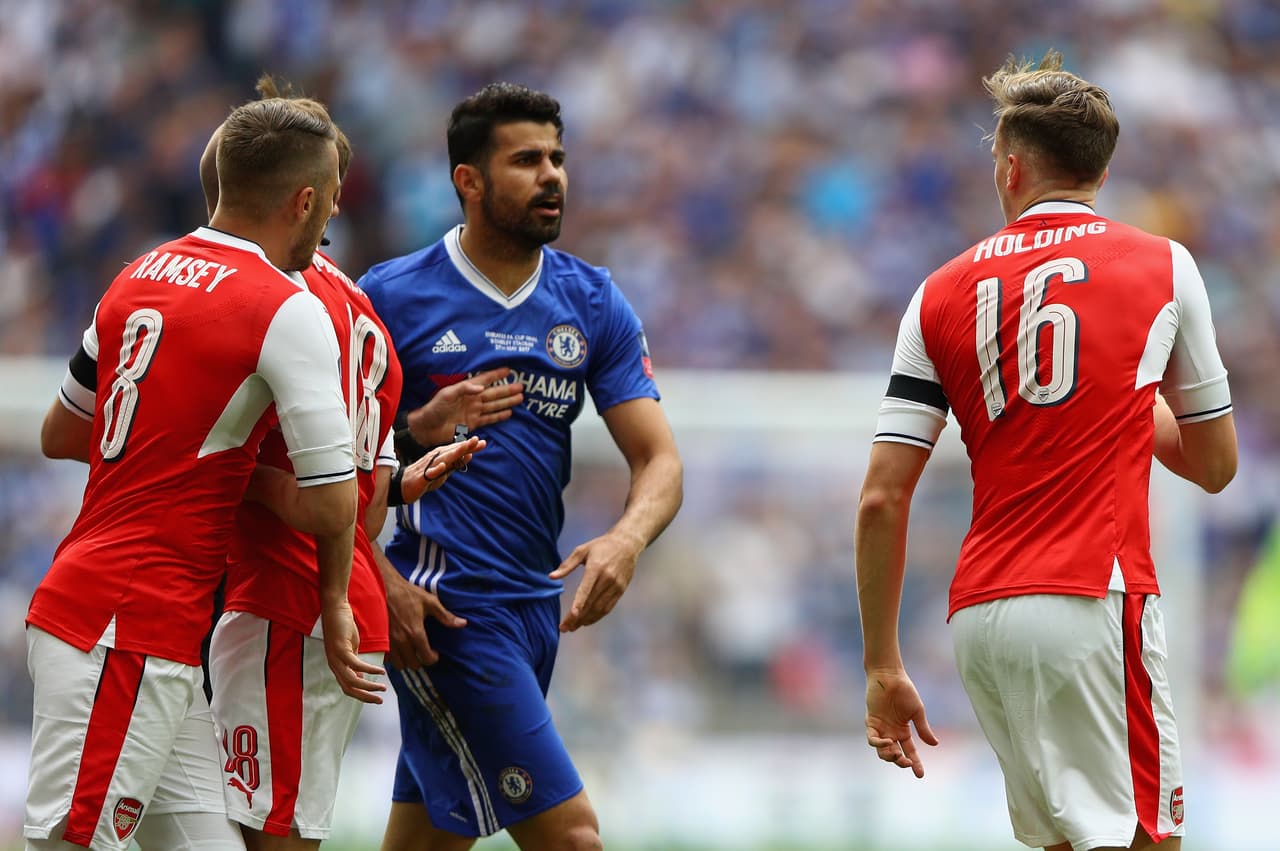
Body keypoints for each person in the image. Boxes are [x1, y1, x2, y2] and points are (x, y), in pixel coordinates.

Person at [854, 51, 1237, 851]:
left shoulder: (938, 292)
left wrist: (883, 663)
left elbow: (881, 496)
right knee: (1144, 839)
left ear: (1015, 166)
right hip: (1092, 595)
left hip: (982, 617)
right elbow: (1214, 464)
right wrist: (1132, 397)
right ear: (1099, 170)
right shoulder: (1164, 265)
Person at [26, 98, 376, 850]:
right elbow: (332, 503)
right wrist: (231, 467)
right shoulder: (286, 305)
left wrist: (177, 443)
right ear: (305, 201)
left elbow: (62, 430)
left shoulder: (138, 273)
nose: (328, 226)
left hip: (133, 617)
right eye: (331, 205)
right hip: (129, 624)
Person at [358, 82, 684, 851]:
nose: (553, 176)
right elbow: (334, 468)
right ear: (468, 181)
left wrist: (625, 539)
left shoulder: (590, 300)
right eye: (527, 160)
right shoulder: (390, 297)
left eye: (558, 159)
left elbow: (660, 457)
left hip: (533, 609)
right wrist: (381, 582)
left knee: (427, 841)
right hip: (449, 610)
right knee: (572, 837)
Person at [198, 79, 485, 851]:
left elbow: (230, 450)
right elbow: (375, 493)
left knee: (265, 832)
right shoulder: (365, 316)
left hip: (284, 601)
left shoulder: (271, 301)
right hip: (334, 600)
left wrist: (228, 475)